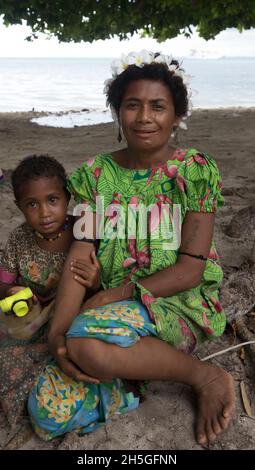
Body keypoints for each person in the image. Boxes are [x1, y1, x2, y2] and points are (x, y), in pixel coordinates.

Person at [28, 51, 235, 445]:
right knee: (47, 412)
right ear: (117, 113)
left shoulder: (194, 171)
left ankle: (203, 375)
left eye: (158, 106)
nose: (144, 118)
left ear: (176, 116)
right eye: (132, 105)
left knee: (85, 341)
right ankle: (129, 388)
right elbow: (80, 254)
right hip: (114, 310)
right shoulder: (94, 175)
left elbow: (191, 268)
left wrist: (109, 296)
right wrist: (56, 334)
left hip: (176, 301)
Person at [0, 155, 100, 426]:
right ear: (18, 206)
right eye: (32, 204)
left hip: (69, 316)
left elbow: (102, 288)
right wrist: (11, 291)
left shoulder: (83, 235)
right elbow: (3, 284)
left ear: (68, 197)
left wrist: (95, 281)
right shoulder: (19, 239)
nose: (44, 212)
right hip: (30, 318)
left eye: (52, 200)